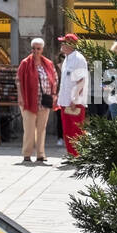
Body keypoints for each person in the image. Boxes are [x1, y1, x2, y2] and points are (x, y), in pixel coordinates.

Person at [17, 36, 58, 163]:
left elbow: (55, 79)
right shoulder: (25, 63)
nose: (35, 51)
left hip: (44, 101)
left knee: (41, 128)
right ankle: (27, 154)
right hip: (29, 100)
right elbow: (18, 81)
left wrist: (54, 94)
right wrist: (20, 97)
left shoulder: (48, 63)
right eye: (33, 48)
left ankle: (40, 154)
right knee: (29, 129)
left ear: (42, 49)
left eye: (38, 49)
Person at [56, 33, 90, 161]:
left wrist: (75, 99)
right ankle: (72, 155)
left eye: (64, 42)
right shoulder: (67, 58)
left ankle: (79, 156)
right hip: (65, 101)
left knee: (75, 130)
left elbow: (81, 80)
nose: (62, 44)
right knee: (67, 130)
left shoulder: (79, 59)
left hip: (75, 101)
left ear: (70, 44)